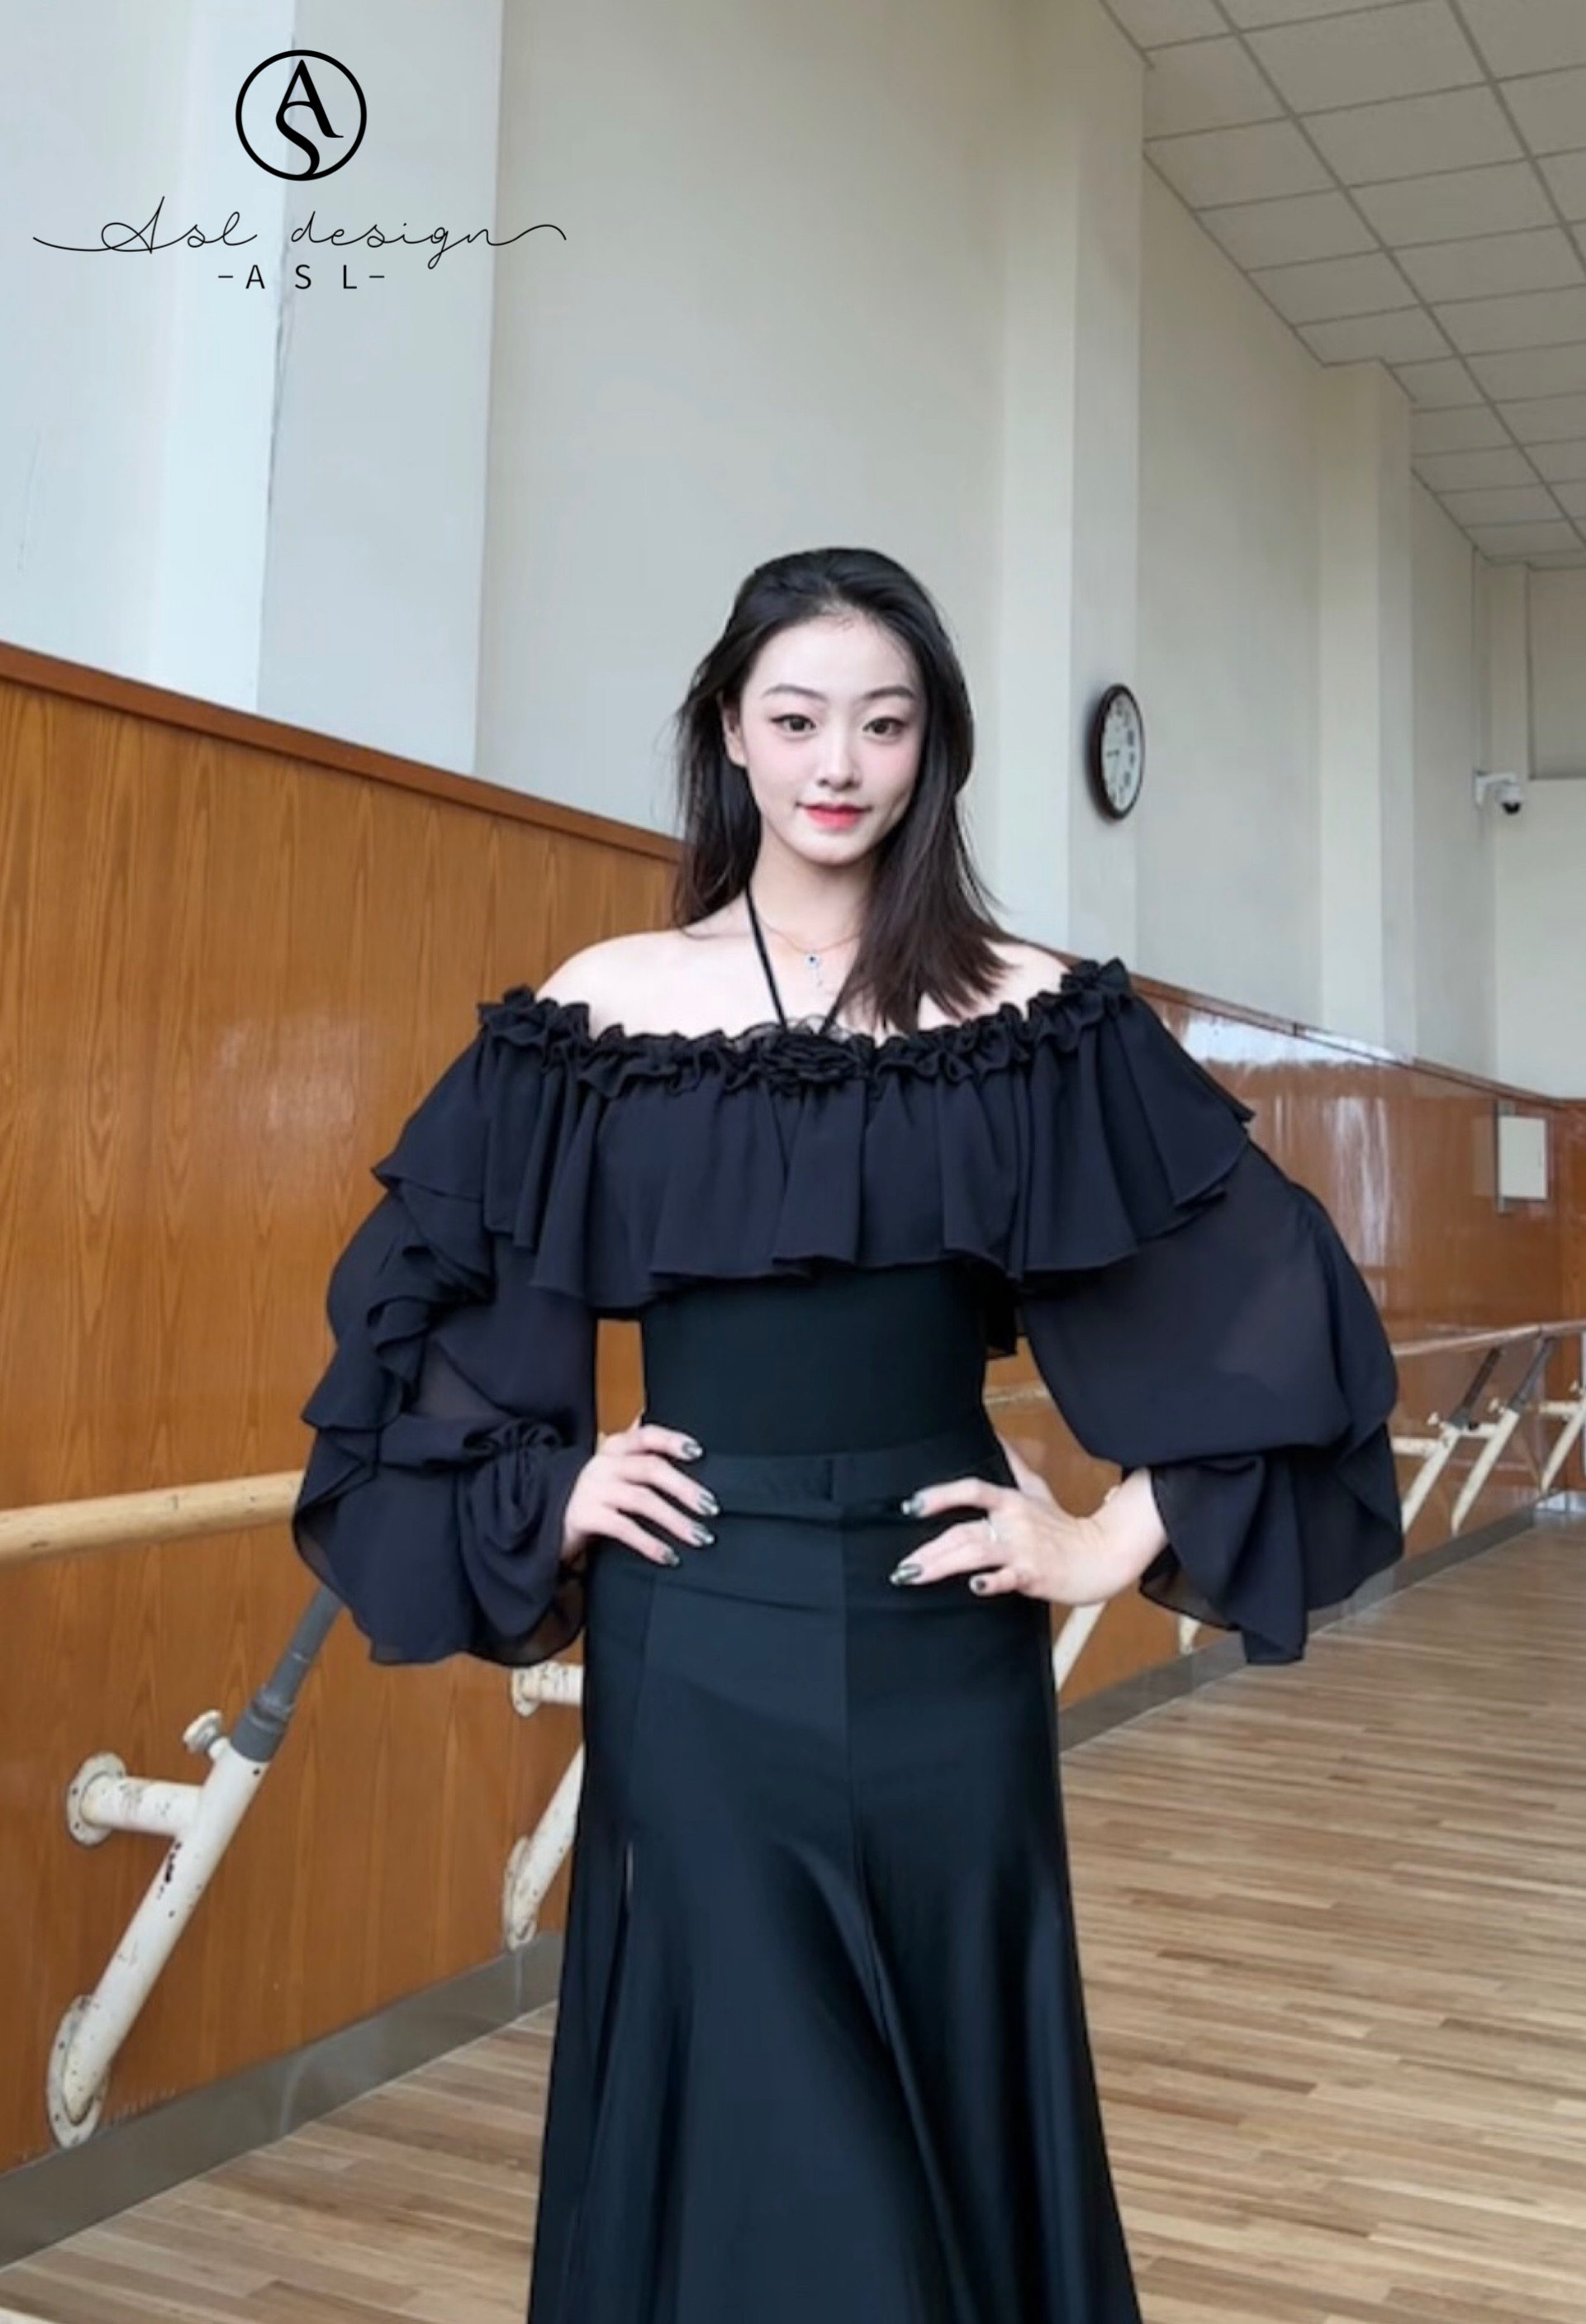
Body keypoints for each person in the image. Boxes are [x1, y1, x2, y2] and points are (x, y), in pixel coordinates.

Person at [292, 545, 1404, 2323]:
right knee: (764, 2120)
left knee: (940, 2093)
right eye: (799, 718)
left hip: (941, 1628)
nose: (839, 762)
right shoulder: (606, 1006)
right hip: (695, 1629)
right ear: (730, 732)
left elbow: (1284, 1305)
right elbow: (411, 1305)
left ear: (930, 747)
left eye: (884, 724)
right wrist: (548, 1490)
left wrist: (1107, 1537)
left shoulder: (1030, 1014)